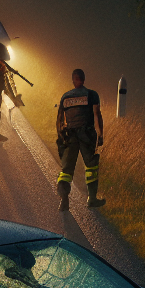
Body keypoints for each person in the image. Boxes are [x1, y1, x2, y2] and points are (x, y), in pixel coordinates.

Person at [56, 68, 106, 211]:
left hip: (69, 134)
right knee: (91, 167)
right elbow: (97, 114)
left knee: (66, 170)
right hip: (87, 134)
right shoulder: (92, 94)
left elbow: (60, 119)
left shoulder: (65, 97)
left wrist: (60, 136)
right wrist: (100, 134)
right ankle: (92, 199)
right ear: (84, 79)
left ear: (73, 80)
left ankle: (64, 200)